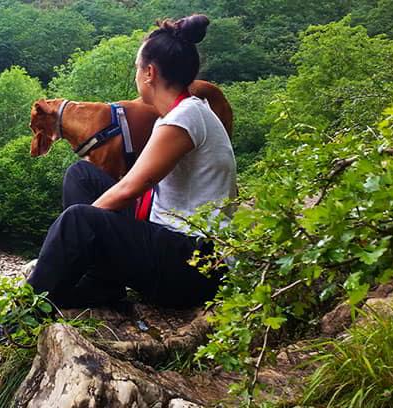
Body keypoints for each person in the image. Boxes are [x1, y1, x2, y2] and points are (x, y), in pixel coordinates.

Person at [25, 14, 237, 309]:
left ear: (149, 73)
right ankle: (102, 285)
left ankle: (20, 317)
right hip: (179, 250)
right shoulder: (186, 112)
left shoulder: (183, 119)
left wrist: (76, 233)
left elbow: (128, 190)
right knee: (81, 175)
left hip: (197, 266)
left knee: (78, 219)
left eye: (137, 68)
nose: (136, 74)